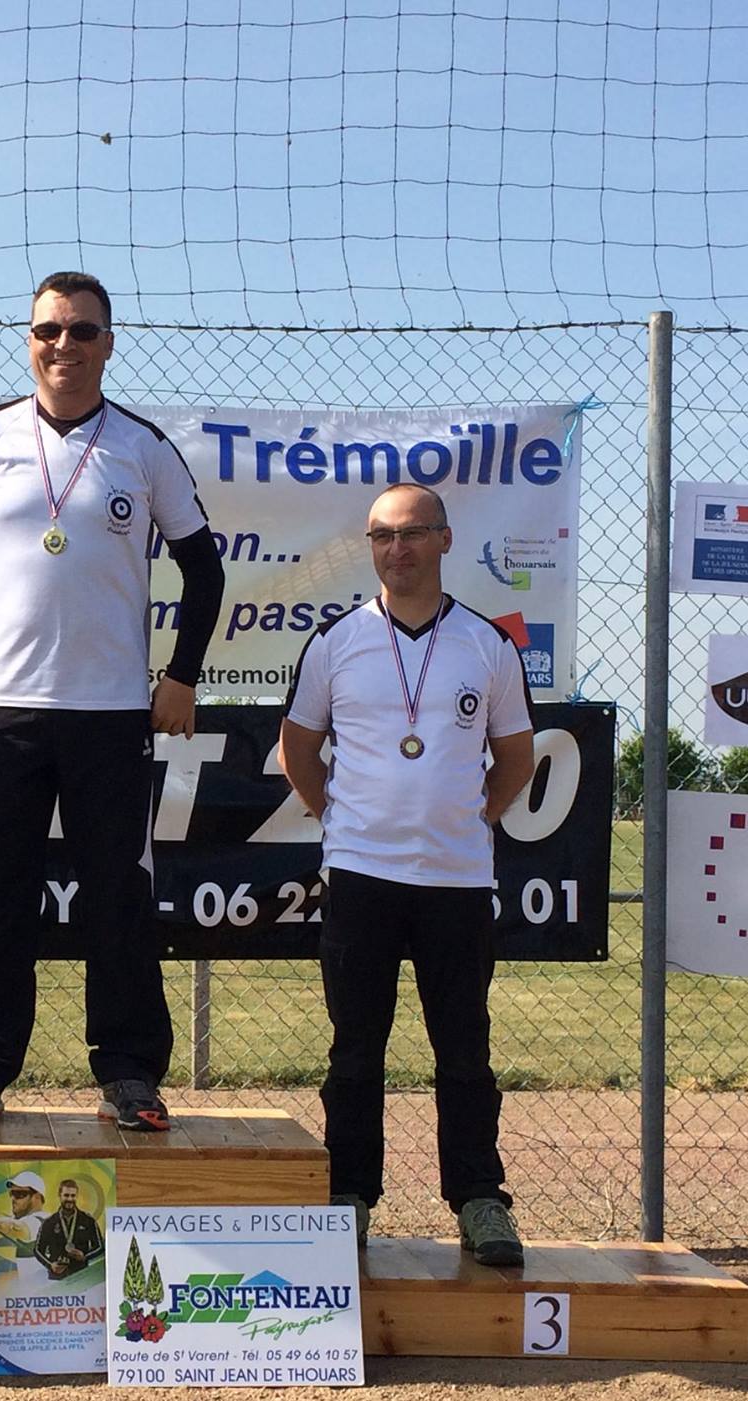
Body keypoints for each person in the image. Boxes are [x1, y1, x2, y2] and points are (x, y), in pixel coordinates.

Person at [0, 271, 226, 1133]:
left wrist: (182, 674)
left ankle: (129, 1072)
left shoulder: (142, 447)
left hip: (111, 715)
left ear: (108, 344)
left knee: (118, 897)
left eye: (83, 331)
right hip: (3, 711)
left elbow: (203, 568)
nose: (65, 345)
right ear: (30, 341)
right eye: (49, 330)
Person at [277, 482, 536, 1266]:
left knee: (464, 1051)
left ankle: (480, 1199)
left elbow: (516, 757)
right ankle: (349, 1194)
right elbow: (298, 748)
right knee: (356, 1050)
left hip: (457, 881)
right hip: (362, 876)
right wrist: (342, 822)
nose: (399, 549)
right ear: (370, 547)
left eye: (414, 533)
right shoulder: (337, 642)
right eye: (383, 536)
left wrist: (475, 819)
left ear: (445, 540)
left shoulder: (487, 645)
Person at [32, 1176, 105, 1279]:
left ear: (77, 1196)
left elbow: (100, 1247)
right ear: (59, 1195)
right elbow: (37, 1250)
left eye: (73, 1195)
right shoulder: (49, 1223)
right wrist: (50, 1265)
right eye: (66, 1195)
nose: (70, 1199)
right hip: (57, 1278)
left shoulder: (88, 1220)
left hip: (81, 1276)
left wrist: (84, 1256)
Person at [0, 1168, 50, 1251]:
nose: (13, 1198)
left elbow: (20, 1228)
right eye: (12, 1193)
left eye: (19, 1194)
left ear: (37, 1197)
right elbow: (10, 1220)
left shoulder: (42, 1221)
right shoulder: (23, 1219)